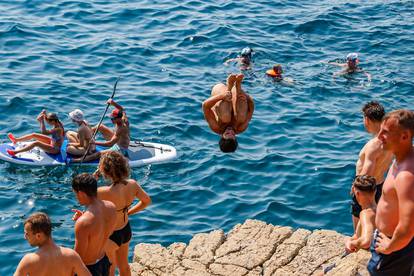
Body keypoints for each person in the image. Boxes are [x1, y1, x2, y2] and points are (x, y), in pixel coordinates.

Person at [367, 110, 414, 275]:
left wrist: (390, 246)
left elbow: (408, 227)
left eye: (385, 132)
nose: (379, 136)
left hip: (395, 249)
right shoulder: (401, 159)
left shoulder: (406, 176)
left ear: (405, 136)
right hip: (391, 242)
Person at [94, 151, 151, 276]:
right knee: (124, 266)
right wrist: (129, 212)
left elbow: (85, 195)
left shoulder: (102, 191)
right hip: (125, 229)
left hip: (111, 234)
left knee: (110, 269)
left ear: (106, 171)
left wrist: (94, 178)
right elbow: (146, 201)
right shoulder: (132, 184)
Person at [352, 101, 393, 230]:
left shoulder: (373, 145)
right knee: (374, 225)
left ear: (367, 119)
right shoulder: (390, 139)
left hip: (365, 189)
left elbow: (366, 173)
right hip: (379, 186)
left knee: (360, 225)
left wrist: (356, 188)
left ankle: (358, 246)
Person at [14, 212, 91, 276]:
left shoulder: (28, 261)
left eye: (27, 234)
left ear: (38, 236)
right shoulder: (71, 255)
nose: (25, 237)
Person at [72, 173, 117, 276]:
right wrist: (84, 216)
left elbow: (78, 258)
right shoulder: (111, 207)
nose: (76, 197)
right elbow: (101, 230)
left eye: (75, 193)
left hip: (89, 269)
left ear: (81, 193)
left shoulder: (83, 223)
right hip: (103, 261)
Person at [202, 74, 254, 153]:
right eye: (233, 134)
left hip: (219, 91)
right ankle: (238, 86)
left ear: (222, 136)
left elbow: (205, 105)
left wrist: (222, 96)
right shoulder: (241, 128)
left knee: (225, 118)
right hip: (235, 94)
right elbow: (251, 108)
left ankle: (229, 86)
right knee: (241, 117)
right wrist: (245, 96)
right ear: (235, 137)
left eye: (227, 133)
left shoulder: (216, 127)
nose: (230, 130)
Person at [345, 175, 377, 253]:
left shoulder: (366, 214)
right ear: (375, 191)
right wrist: (350, 239)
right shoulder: (379, 209)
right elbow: (359, 235)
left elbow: (366, 241)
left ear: (357, 193)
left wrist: (351, 243)